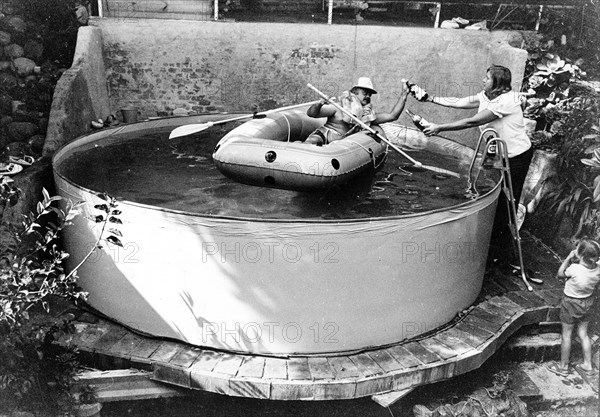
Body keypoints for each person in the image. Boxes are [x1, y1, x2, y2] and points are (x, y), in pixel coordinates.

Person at [415, 65, 534, 268]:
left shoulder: (507, 101)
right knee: (488, 193)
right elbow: (459, 103)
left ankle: (499, 254)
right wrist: (429, 98)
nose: (482, 80)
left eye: (486, 78)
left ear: (497, 82)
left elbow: (472, 121)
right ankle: (486, 242)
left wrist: (439, 128)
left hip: (515, 157)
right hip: (494, 151)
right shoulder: (486, 95)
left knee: (505, 203)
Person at [546, 239, 600, 377]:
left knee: (566, 335)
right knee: (583, 334)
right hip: (587, 303)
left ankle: (563, 367)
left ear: (580, 255)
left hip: (571, 304)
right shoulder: (598, 268)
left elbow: (559, 274)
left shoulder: (574, 269)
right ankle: (587, 365)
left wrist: (568, 258)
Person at [305, 77, 409, 146]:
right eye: (365, 93)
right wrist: (319, 104)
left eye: (370, 94)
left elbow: (392, 116)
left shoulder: (367, 116)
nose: (368, 96)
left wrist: (404, 94)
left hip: (339, 148)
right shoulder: (338, 107)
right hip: (324, 136)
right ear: (355, 93)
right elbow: (311, 114)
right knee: (312, 142)